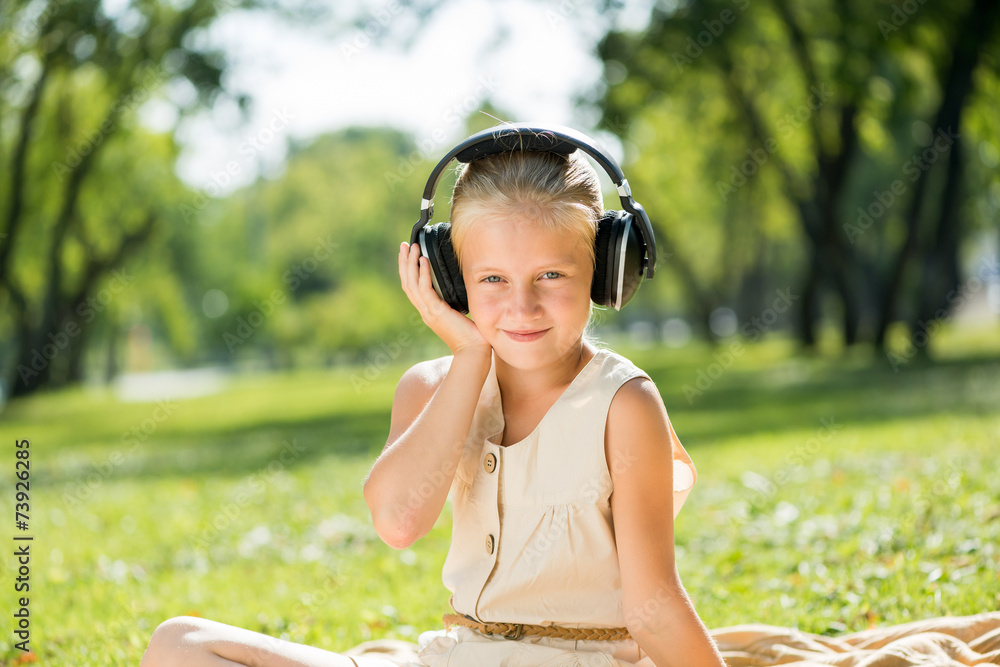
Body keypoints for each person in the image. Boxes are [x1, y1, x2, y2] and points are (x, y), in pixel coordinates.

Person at [140, 125, 724, 667]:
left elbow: (655, 608)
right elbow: (398, 521)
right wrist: (471, 360)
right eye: (491, 279)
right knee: (180, 644)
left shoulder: (623, 405)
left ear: (605, 272)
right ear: (449, 280)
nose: (521, 307)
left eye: (551, 275)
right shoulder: (430, 387)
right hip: (455, 656)